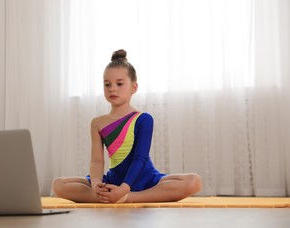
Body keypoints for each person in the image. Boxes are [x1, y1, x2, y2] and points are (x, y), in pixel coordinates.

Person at [52, 49, 202, 203]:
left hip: (145, 178)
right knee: (59, 185)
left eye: (119, 83)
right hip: (113, 180)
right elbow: (97, 161)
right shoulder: (97, 123)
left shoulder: (143, 119)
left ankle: (128, 197)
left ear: (133, 88)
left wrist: (125, 188)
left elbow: (140, 158)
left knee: (193, 181)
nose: (112, 88)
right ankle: (108, 195)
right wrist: (97, 183)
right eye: (107, 84)